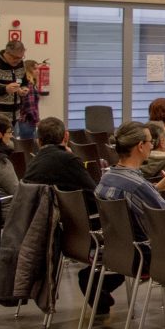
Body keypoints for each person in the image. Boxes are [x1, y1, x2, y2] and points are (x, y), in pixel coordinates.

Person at [22, 117, 116, 315]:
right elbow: (95, 194)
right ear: (66, 137)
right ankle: (96, 281)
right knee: (132, 234)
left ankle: (98, 288)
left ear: (39, 141)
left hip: (57, 234)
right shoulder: (66, 160)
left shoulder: (34, 161)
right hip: (82, 233)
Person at [14, 60, 41, 140]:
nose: (38, 71)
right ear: (28, 70)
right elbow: (30, 106)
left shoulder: (22, 83)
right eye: (35, 69)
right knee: (28, 147)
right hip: (27, 121)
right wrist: (36, 120)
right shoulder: (29, 84)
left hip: (21, 119)